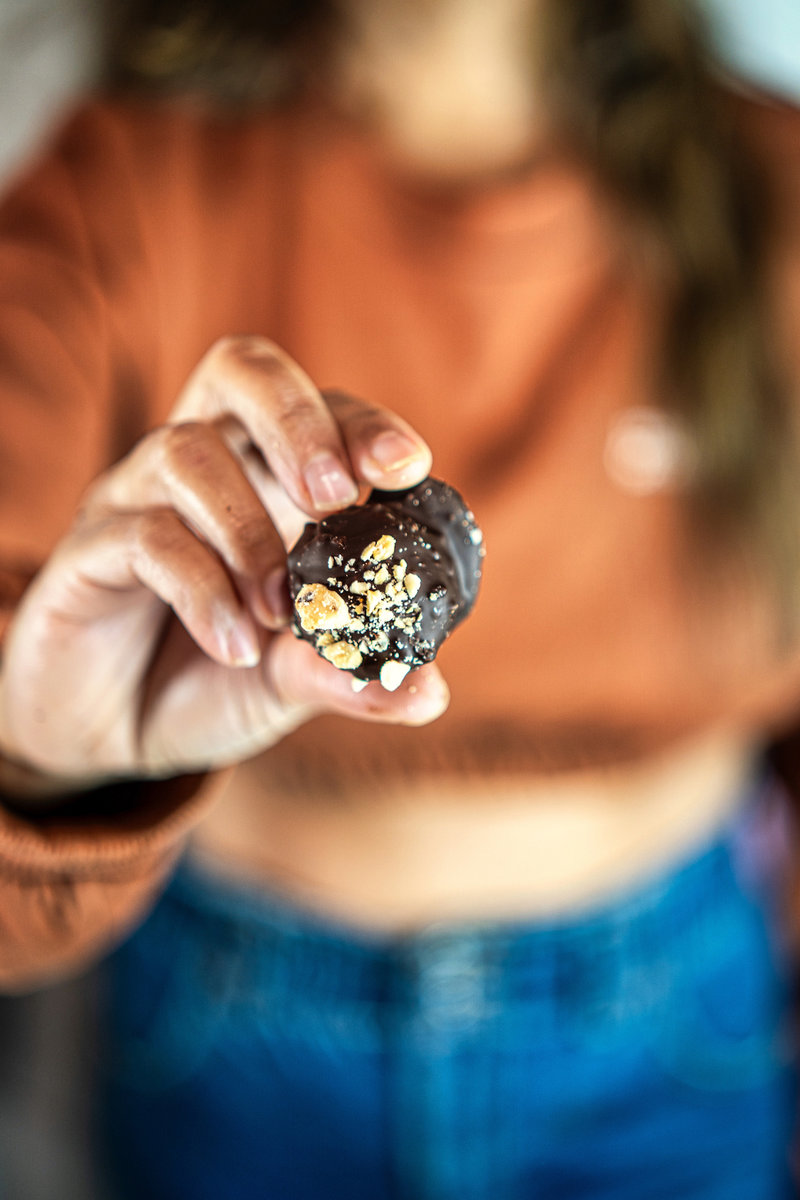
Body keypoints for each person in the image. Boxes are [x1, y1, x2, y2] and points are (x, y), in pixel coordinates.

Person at [0, 0, 799, 1195]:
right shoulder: (118, 184)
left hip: (676, 1032)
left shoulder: (770, 198)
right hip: (230, 1034)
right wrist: (38, 764)